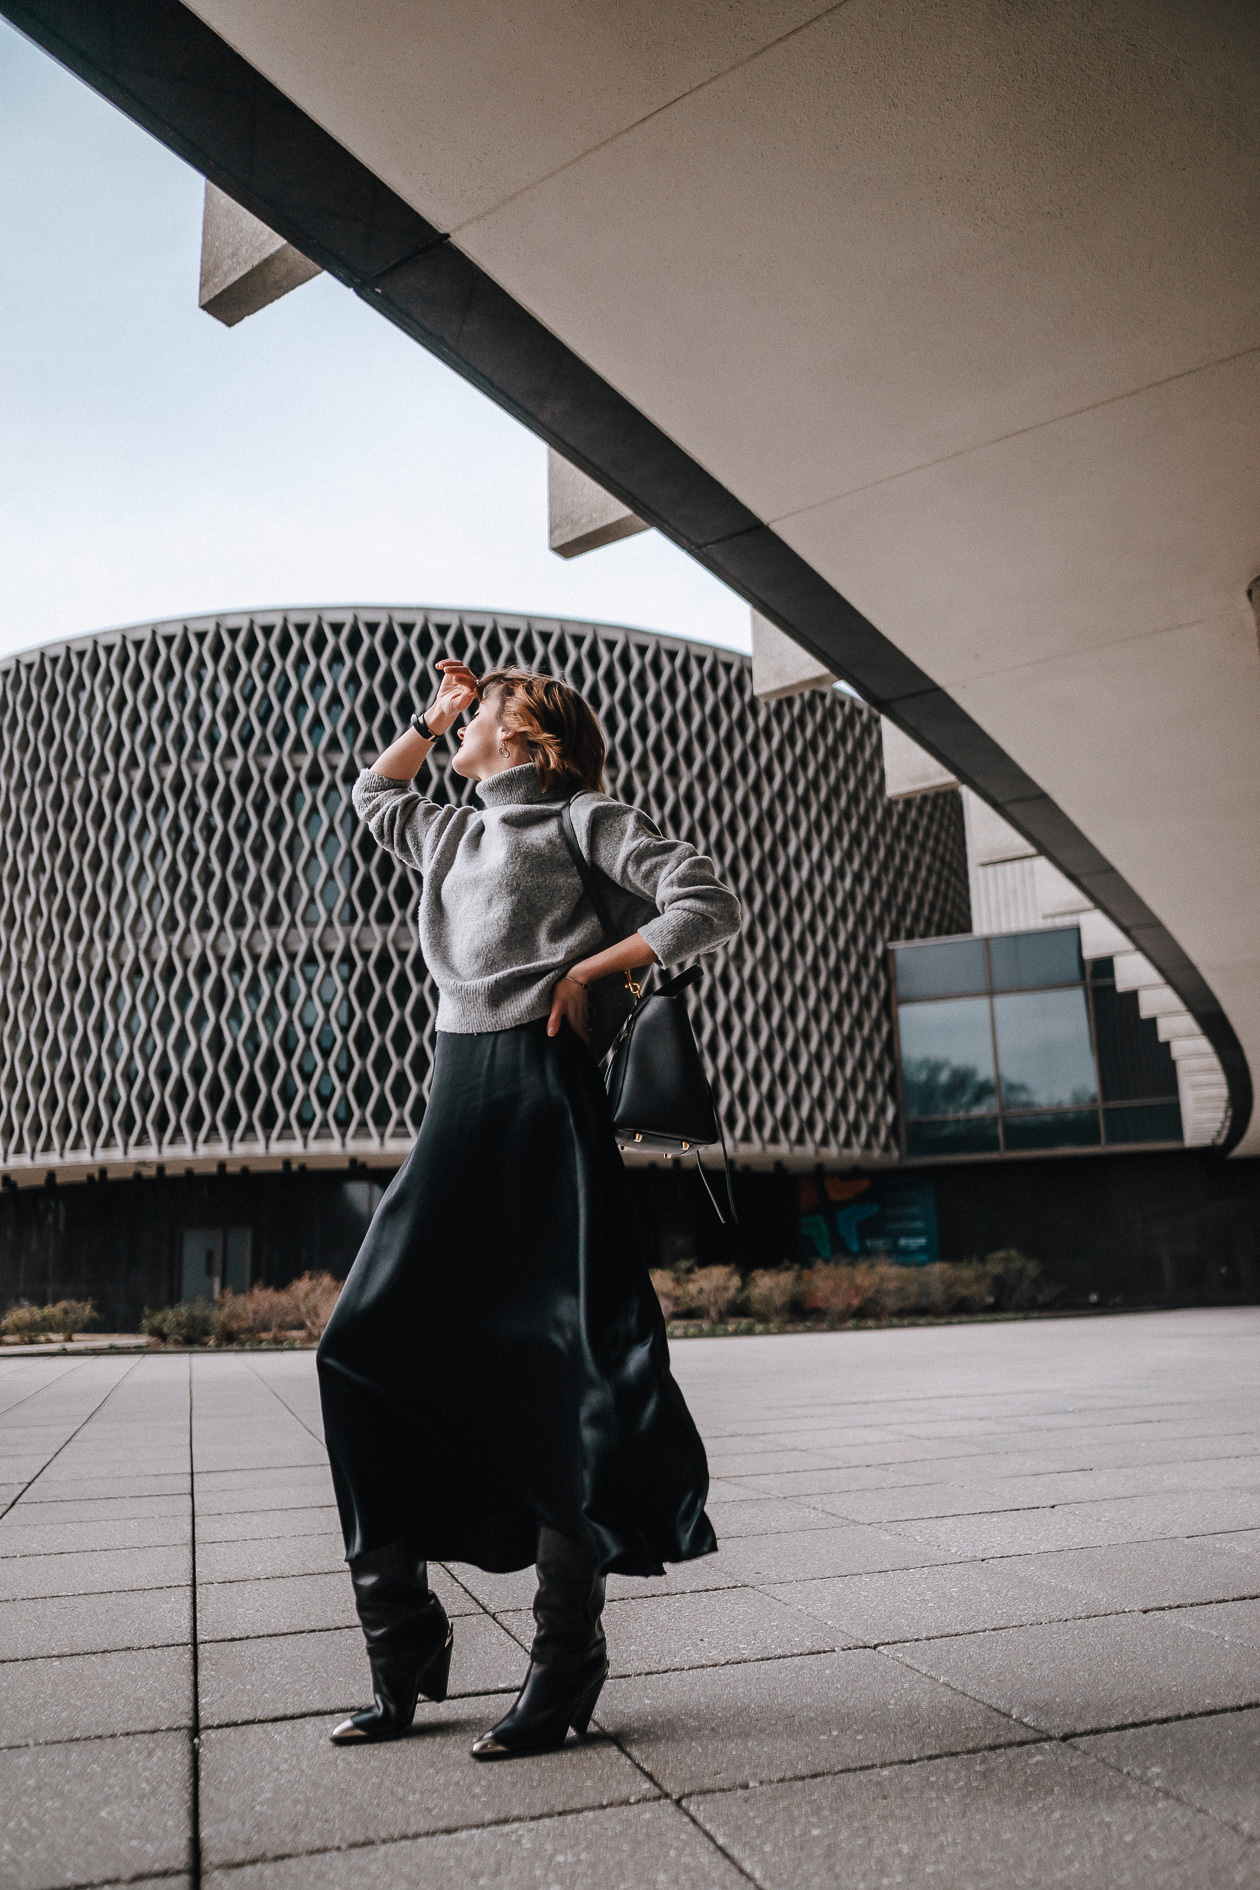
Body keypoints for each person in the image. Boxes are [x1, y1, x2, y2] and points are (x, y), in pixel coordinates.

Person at [317, 659, 741, 1760]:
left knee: (561, 1380)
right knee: (357, 1351)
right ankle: (402, 1645)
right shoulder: (452, 835)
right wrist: (433, 715)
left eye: (485, 710)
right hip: (457, 1101)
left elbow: (708, 902)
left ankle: (564, 1664)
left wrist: (588, 971)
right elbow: (371, 796)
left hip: (545, 1106)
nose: (468, 723)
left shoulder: (582, 817)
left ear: (533, 739)